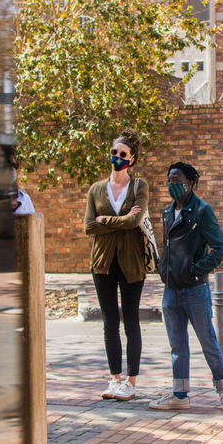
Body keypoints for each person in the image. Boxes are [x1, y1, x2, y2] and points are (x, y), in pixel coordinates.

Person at [150, 162, 223, 411]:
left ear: (190, 182)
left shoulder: (201, 210)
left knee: (208, 341)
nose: (171, 185)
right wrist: (162, 266)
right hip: (171, 289)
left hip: (195, 289)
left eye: (176, 180)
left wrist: (195, 269)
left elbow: (221, 248)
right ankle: (180, 395)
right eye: (169, 180)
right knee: (177, 345)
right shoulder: (168, 213)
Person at [84, 129, 148, 401]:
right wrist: (109, 222)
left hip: (132, 263)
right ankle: (115, 380)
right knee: (109, 321)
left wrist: (104, 221)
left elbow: (135, 222)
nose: (117, 158)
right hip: (103, 263)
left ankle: (131, 382)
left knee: (131, 320)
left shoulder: (139, 186)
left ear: (131, 159)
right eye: (114, 153)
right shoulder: (96, 189)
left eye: (123, 155)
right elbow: (88, 226)